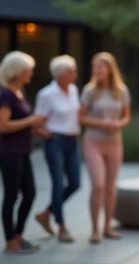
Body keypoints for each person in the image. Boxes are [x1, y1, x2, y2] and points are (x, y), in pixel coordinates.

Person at [79, 52, 131, 244]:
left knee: (110, 188)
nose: (96, 71)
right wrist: (101, 123)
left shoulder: (122, 91)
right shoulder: (89, 91)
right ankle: (94, 229)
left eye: (99, 67)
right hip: (93, 141)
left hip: (115, 142)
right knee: (98, 185)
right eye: (94, 68)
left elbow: (127, 116)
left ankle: (107, 227)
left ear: (109, 69)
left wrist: (118, 124)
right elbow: (80, 117)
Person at [0, 51, 47, 254]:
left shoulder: (21, 92)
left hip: (23, 150)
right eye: (29, 68)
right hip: (9, 152)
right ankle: (10, 241)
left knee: (30, 193)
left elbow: (21, 123)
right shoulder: (6, 94)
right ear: (18, 71)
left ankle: (18, 235)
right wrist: (31, 120)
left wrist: (37, 129)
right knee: (12, 196)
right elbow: (3, 126)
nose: (31, 72)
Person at [34, 55, 81, 243]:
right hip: (56, 142)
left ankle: (46, 213)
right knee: (57, 183)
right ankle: (61, 225)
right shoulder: (46, 94)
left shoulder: (74, 90)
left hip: (72, 141)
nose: (75, 74)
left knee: (75, 183)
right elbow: (37, 122)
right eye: (72, 71)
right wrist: (48, 135)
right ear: (61, 74)